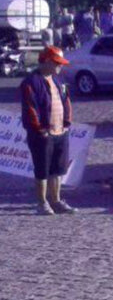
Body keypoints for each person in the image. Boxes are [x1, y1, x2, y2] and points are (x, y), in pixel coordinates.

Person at [20, 46, 75, 215]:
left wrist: (67, 123)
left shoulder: (58, 81)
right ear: (47, 62)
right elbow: (30, 108)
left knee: (57, 170)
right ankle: (42, 202)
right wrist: (39, 129)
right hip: (42, 134)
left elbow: (66, 102)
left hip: (60, 132)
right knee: (42, 170)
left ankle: (56, 200)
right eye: (57, 63)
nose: (60, 67)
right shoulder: (31, 82)